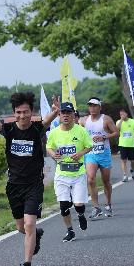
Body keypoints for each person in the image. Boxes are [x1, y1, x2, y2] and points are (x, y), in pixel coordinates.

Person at [0, 92, 59, 266]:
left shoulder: (37, 129)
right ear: (14, 113)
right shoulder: (10, 130)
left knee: (29, 224)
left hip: (34, 185)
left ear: (31, 112)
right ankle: (35, 234)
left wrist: (55, 111)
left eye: (25, 112)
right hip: (13, 186)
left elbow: (46, 121)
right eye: (18, 112)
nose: (22, 115)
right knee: (21, 227)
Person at [46, 102, 93, 242]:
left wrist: (80, 154)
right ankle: (70, 230)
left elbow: (89, 146)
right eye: (63, 113)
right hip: (62, 174)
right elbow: (49, 147)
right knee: (64, 205)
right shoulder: (54, 132)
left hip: (78, 173)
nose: (65, 115)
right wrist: (53, 154)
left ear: (73, 115)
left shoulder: (81, 131)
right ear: (59, 115)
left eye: (68, 113)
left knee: (78, 205)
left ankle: (80, 215)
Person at [79, 97, 119, 219]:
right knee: (90, 179)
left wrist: (104, 137)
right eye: (90, 106)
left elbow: (116, 132)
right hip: (91, 153)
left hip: (104, 153)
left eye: (95, 105)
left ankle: (108, 204)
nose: (92, 108)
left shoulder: (106, 119)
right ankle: (96, 207)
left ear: (99, 107)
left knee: (106, 181)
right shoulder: (83, 120)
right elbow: (78, 133)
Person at [116, 108, 134, 182]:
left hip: (131, 144)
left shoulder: (132, 121)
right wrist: (122, 120)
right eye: (120, 114)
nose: (121, 115)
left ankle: (132, 170)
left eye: (123, 114)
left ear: (126, 114)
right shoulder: (119, 122)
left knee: (133, 161)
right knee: (123, 160)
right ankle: (125, 175)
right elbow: (117, 129)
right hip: (122, 144)